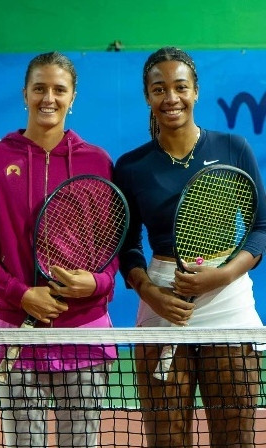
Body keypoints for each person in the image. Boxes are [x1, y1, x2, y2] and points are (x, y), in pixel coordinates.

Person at [0, 52, 118, 448]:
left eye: (59, 90)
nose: (49, 98)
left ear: (73, 97)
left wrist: (97, 283)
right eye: (40, 88)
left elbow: (112, 246)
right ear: (24, 94)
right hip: (15, 332)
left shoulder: (97, 162)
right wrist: (21, 294)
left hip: (83, 332)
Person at [114, 46, 265, 447]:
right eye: (159, 89)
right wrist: (149, 291)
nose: (171, 98)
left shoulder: (234, 148)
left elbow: (260, 228)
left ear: (195, 91)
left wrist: (225, 273)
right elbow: (126, 246)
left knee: (236, 436)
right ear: (148, 96)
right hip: (163, 301)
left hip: (228, 299)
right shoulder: (131, 166)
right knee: (167, 438)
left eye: (180, 87)